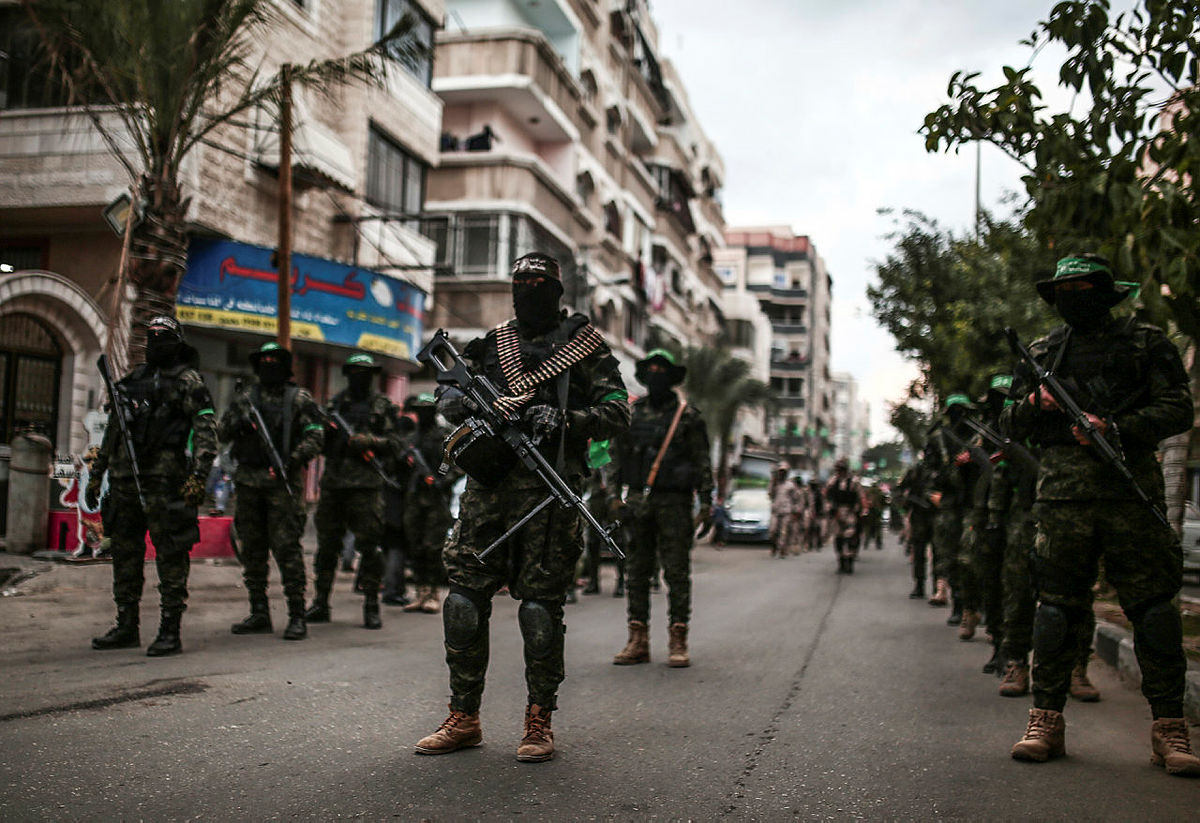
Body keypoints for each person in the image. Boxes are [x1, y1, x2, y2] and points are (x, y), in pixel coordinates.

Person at [414, 252, 629, 762]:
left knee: (539, 609)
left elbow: (618, 411)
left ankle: (539, 720)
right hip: (487, 490)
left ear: (557, 290)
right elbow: (444, 398)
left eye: (538, 283)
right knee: (463, 600)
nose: (528, 291)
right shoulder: (493, 344)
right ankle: (464, 715)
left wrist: (567, 418)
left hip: (549, 494)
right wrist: (467, 403)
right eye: (521, 283)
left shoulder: (585, 347)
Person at [1003, 254, 1198, 774]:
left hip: (1130, 493)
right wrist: (1036, 403)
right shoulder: (1043, 353)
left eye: (1084, 290)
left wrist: (1114, 426)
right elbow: (1009, 424)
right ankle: (1045, 720)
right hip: (1062, 500)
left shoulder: (1146, 343)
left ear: (1108, 294)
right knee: (1055, 609)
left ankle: (1169, 729)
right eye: (1064, 292)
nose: (1073, 300)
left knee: (1154, 611)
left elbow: (1178, 409)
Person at [86, 316, 217, 656]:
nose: (156, 340)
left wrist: (198, 476)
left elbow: (206, 431)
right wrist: (97, 474)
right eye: (152, 335)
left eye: (164, 335)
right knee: (125, 555)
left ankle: (170, 630)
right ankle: (126, 625)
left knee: (171, 555)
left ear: (177, 341)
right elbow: (113, 432)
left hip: (166, 483)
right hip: (126, 481)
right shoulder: (133, 381)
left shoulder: (188, 381)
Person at [612, 349, 713, 668]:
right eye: (651, 369)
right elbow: (617, 457)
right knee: (636, 572)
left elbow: (702, 461)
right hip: (638, 501)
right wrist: (614, 497)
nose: (656, 374)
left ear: (671, 377)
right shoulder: (633, 413)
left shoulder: (688, 417)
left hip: (675, 503)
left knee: (676, 572)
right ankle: (637, 639)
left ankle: (678, 638)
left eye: (662, 370)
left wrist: (706, 503)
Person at [219, 342, 324, 641]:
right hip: (248, 484)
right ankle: (259, 612)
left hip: (282, 486)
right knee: (252, 551)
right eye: (263, 361)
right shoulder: (245, 398)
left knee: (288, 551)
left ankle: (297, 615)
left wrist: (291, 461)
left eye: (274, 361)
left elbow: (316, 436)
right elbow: (222, 431)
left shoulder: (298, 398)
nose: (268, 366)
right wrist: (239, 425)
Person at [307, 353, 402, 630]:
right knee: (327, 547)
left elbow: (397, 444)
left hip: (366, 486)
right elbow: (321, 445)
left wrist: (370, 441)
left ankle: (371, 605)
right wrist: (326, 431)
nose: (360, 377)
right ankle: (321, 602)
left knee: (370, 548)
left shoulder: (382, 406)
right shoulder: (335, 405)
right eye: (356, 372)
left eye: (366, 373)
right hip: (334, 484)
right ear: (347, 374)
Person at [400, 393, 455, 614]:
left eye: (426, 411)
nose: (423, 415)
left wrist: (441, 479)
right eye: (419, 411)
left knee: (433, 547)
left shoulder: (444, 437)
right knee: (415, 545)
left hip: (436, 499)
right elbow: (399, 464)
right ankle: (420, 592)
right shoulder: (411, 439)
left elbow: (452, 463)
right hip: (414, 497)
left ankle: (432, 593)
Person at [898, 454, 936, 598]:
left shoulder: (942, 469)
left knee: (940, 554)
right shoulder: (916, 471)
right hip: (919, 516)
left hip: (937, 515)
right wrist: (908, 502)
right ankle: (920, 585)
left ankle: (938, 587)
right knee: (919, 553)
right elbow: (900, 490)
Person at [824, 458, 866, 574]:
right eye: (838, 469)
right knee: (838, 538)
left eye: (842, 469)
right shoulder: (832, 481)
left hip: (850, 512)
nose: (840, 472)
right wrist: (831, 510)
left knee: (850, 537)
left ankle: (850, 562)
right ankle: (841, 562)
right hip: (837, 512)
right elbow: (827, 496)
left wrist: (862, 510)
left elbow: (861, 496)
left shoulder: (854, 481)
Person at [768, 462, 805, 558]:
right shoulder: (775, 484)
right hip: (776, 511)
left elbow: (796, 499)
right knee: (773, 531)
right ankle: (774, 546)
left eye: (783, 472)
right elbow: (770, 494)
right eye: (780, 472)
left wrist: (796, 511)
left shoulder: (791, 485)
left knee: (784, 531)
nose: (781, 474)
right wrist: (773, 482)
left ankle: (782, 550)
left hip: (787, 511)